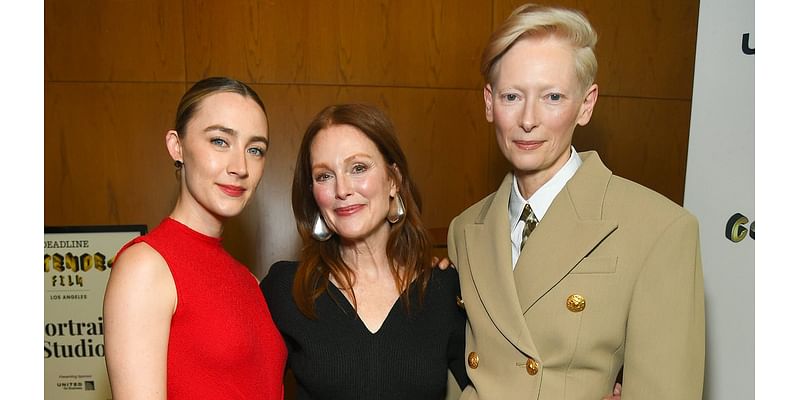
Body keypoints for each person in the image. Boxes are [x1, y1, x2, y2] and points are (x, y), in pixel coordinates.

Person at [446, 4, 705, 399]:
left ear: (586, 104)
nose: (528, 119)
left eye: (552, 96)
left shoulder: (659, 228)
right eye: (512, 96)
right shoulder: (464, 229)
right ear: (488, 102)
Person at [261, 103, 469, 399]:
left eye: (358, 168)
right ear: (313, 193)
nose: (342, 189)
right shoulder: (287, 290)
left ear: (393, 180)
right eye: (324, 176)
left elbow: (497, 381)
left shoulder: (443, 288)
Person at [103, 77, 287, 399]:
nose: (240, 166)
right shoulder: (146, 266)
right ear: (177, 147)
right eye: (219, 141)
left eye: (255, 149)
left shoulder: (247, 279)